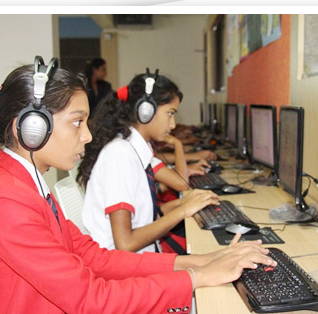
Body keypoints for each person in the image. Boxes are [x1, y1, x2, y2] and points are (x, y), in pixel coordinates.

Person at [0, 57, 276, 314]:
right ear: (32, 128)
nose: (88, 135)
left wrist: (202, 262)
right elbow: (90, 298)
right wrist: (199, 278)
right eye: (77, 122)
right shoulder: (6, 200)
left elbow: (95, 259)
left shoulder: (27, 183)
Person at [78, 70, 218, 254]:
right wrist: (183, 211)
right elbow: (125, 244)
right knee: (214, 259)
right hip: (122, 265)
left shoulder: (134, 150)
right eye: (170, 114)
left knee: (217, 257)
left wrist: (185, 203)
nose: (173, 124)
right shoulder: (120, 155)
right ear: (146, 111)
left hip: (141, 256)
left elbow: (146, 218)